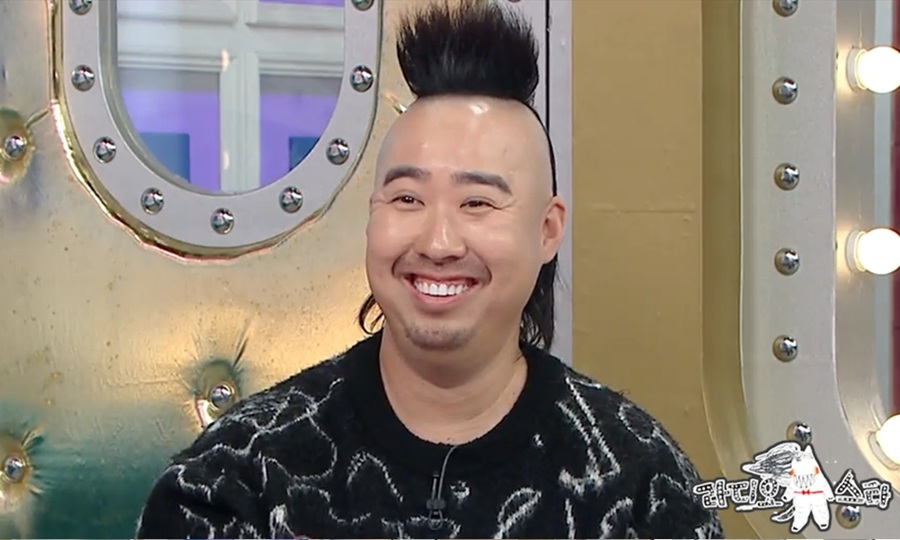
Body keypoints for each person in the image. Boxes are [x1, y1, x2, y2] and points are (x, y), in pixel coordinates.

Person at [135, 1, 723, 538]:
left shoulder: (639, 486)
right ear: (373, 217)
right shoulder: (236, 481)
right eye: (408, 199)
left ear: (548, 230)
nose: (439, 242)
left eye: (477, 203)